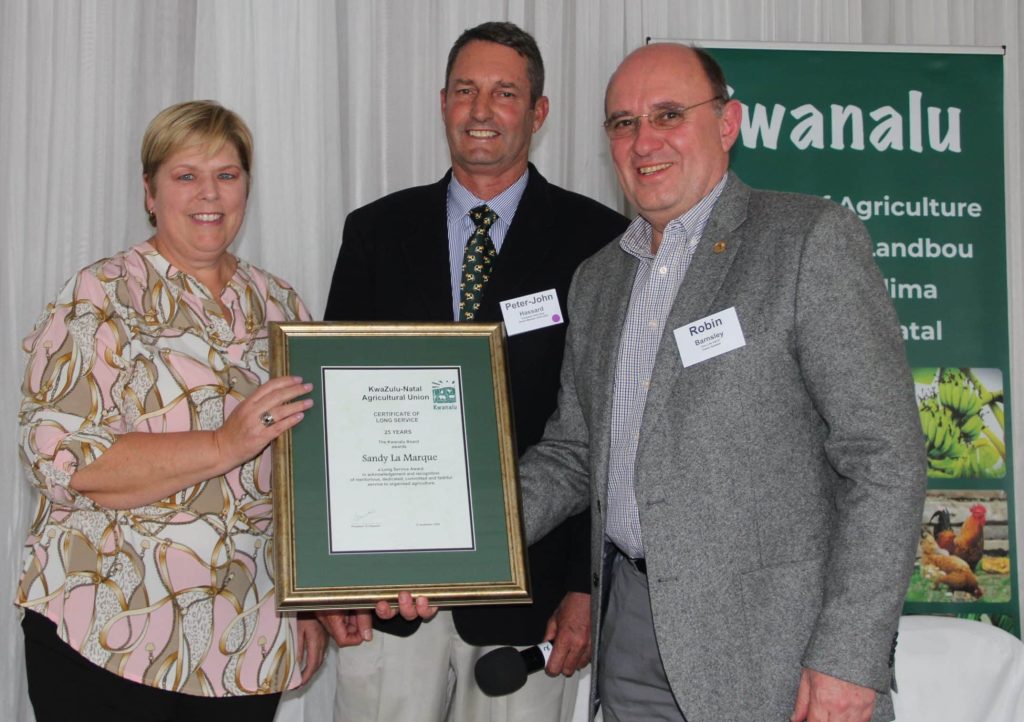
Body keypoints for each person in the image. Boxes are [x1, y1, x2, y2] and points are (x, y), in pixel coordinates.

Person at [516, 43, 928, 722]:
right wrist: (458, 540)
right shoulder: (598, 280)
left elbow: (884, 458)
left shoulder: (807, 240)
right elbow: (572, 454)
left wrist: (850, 658)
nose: (643, 141)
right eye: (623, 123)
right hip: (630, 637)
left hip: (776, 652)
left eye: (668, 114)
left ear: (728, 122)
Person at [319, 21, 629, 722]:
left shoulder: (598, 244)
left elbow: (606, 428)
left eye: (504, 93)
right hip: (386, 593)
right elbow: (337, 413)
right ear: (442, 102)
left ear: (539, 112)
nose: (481, 111)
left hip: (534, 597)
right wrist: (334, 576)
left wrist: (585, 586)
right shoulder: (375, 232)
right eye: (465, 91)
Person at [15, 100, 327, 722]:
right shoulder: (99, 296)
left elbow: (309, 473)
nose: (209, 193)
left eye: (228, 174)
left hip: (247, 641)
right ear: (150, 192)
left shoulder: (281, 304)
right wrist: (222, 445)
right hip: (109, 636)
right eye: (186, 175)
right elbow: (61, 460)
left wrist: (311, 604)